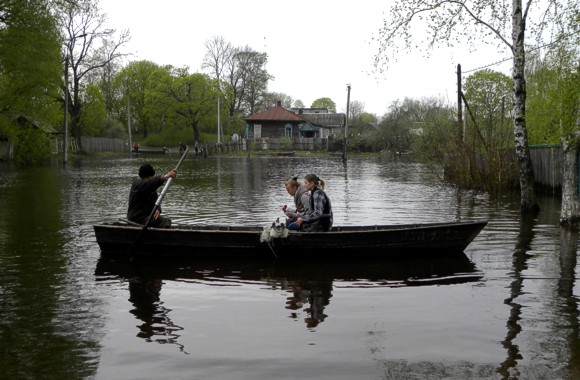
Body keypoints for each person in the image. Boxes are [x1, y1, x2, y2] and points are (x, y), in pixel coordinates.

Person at [127, 163, 177, 228]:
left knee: (166, 220)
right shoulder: (137, 184)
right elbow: (150, 183)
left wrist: (157, 209)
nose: (152, 178)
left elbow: (156, 202)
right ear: (146, 176)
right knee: (165, 221)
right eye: (151, 177)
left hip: (147, 217)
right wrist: (165, 176)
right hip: (136, 218)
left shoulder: (150, 188)